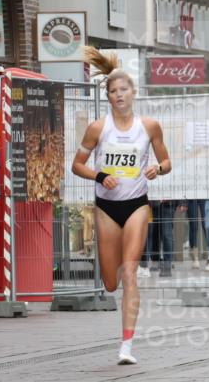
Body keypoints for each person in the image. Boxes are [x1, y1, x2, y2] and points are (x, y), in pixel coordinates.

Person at [71, 48, 171, 365]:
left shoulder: (150, 126)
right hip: (106, 208)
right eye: (114, 91)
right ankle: (111, 285)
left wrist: (158, 169)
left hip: (137, 205)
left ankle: (126, 346)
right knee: (110, 281)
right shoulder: (98, 128)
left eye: (124, 90)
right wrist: (100, 174)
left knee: (129, 272)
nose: (119, 95)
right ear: (109, 97)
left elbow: (166, 160)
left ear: (133, 93)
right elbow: (77, 165)